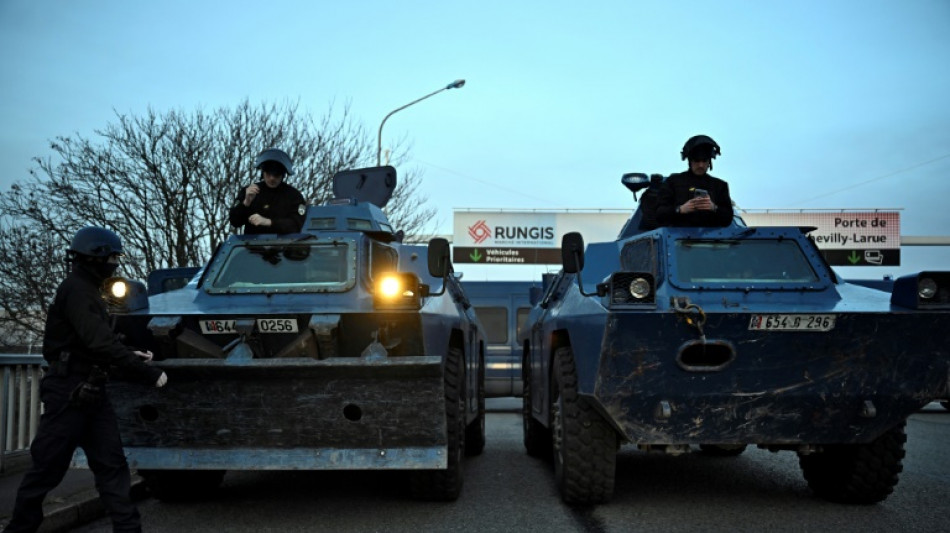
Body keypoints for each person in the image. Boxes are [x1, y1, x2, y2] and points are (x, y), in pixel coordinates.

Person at [4, 227, 167, 533]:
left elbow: (93, 341)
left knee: (112, 466)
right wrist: (148, 372)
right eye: (113, 258)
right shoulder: (77, 291)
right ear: (97, 257)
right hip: (68, 392)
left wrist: (130, 352)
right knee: (46, 469)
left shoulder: (88, 290)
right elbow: (98, 344)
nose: (115, 264)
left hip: (90, 388)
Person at [655, 134, 734, 227]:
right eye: (697, 160)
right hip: (677, 237)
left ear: (709, 162)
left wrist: (714, 208)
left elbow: (728, 218)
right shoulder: (673, 182)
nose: (701, 165)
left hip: (712, 239)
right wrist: (680, 209)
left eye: (704, 161)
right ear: (690, 161)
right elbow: (659, 214)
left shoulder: (719, 186)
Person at [228, 148, 307, 234]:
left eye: (276, 175)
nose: (272, 178)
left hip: (284, 245)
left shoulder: (294, 196)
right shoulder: (250, 191)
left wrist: (269, 222)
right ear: (263, 173)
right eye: (268, 174)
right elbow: (234, 222)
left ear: (283, 175)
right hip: (252, 245)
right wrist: (246, 203)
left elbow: (296, 225)